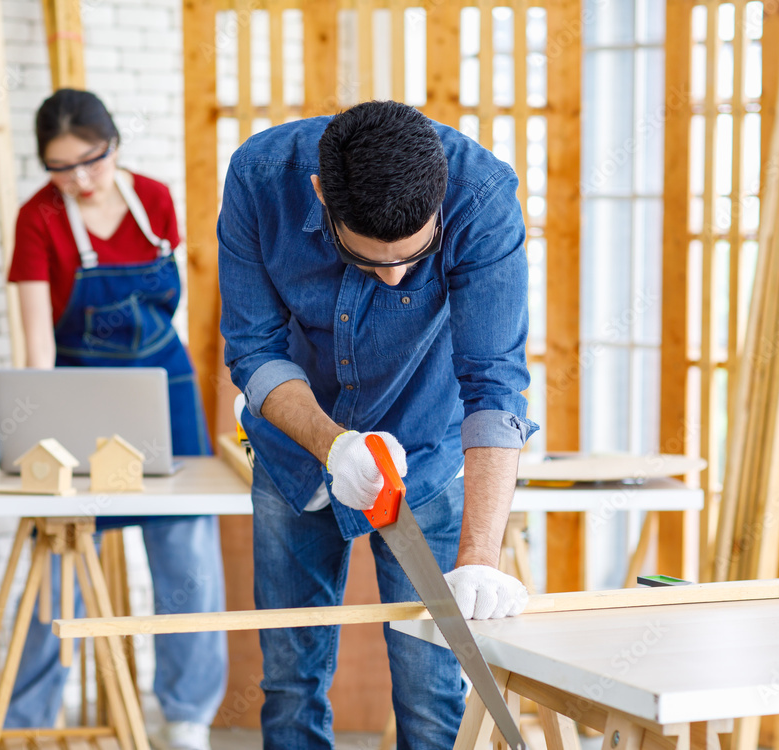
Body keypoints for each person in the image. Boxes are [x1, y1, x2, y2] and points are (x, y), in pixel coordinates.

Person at [217, 100, 539, 750]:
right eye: (367, 259)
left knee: (430, 691)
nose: (393, 275)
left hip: (427, 453)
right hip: (296, 458)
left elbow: (494, 383)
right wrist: (334, 446)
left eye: (411, 259)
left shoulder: (483, 194)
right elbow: (254, 351)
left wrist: (480, 559)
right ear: (320, 197)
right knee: (289, 680)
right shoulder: (259, 177)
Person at [6, 88, 226, 750]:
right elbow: (37, 345)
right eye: (60, 167)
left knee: (186, 557)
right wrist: (34, 427)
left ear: (114, 145)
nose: (78, 179)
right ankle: (29, 722)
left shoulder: (154, 199)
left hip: (166, 393)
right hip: (79, 399)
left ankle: (187, 717)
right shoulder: (36, 219)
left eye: (91, 161)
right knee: (61, 562)